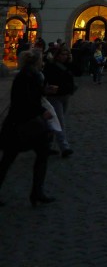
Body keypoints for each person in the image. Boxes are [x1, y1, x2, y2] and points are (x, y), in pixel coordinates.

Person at [0, 48, 57, 206]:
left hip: (19, 123)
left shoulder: (28, 74)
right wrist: (42, 110)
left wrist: (44, 91)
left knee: (11, 159)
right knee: (11, 159)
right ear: (36, 61)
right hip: (25, 124)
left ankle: (37, 192)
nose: (43, 62)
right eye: (41, 60)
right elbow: (25, 100)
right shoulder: (29, 75)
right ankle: (37, 193)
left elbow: (29, 95)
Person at [43, 46, 75, 157]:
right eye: (62, 54)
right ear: (57, 55)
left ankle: (47, 145)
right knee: (59, 122)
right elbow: (45, 80)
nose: (64, 56)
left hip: (65, 96)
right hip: (54, 97)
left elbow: (79, 72)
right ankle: (64, 147)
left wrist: (71, 62)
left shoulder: (68, 65)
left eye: (66, 54)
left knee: (53, 122)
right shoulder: (50, 66)